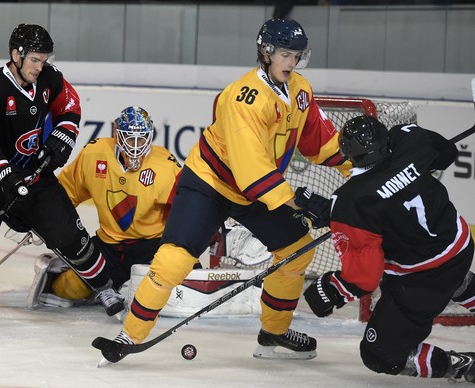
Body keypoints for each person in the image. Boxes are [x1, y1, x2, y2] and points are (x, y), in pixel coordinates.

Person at [98, 18, 351, 363]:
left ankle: (273, 332)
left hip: (257, 191)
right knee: (174, 259)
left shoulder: (300, 91)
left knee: (298, 250)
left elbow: (320, 143)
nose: (291, 63)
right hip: (210, 183)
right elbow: (252, 169)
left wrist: (365, 167)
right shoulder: (243, 97)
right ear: (266, 53)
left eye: (297, 56)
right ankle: (130, 334)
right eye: (285, 55)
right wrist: (298, 201)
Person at [0, 24, 124, 329]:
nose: (40, 66)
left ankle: (105, 289)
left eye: (43, 60)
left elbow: (69, 104)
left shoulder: (48, 78)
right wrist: (6, 177)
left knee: (71, 236)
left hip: (33, 174)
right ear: (16, 54)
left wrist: (63, 135)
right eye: (34, 60)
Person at [304, 115, 475, 383]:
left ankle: (461, 365)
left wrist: (332, 289)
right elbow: (447, 154)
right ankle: (460, 285)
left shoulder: (351, 203)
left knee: (379, 354)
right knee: (453, 278)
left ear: (348, 153)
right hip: (460, 246)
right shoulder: (410, 140)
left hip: (421, 278)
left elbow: (365, 277)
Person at [28, 106, 181, 309]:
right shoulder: (95, 153)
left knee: (180, 287)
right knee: (71, 289)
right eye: (130, 138)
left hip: (151, 247)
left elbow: (183, 210)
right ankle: (56, 273)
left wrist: (179, 251)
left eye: (141, 138)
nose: (136, 146)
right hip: (108, 246)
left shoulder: (165, 165)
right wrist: (44, 219)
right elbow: (66, 192)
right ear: (117, 135)